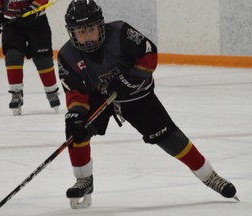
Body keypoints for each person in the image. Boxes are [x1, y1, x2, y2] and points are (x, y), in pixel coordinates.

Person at [57, 0, 238, 209]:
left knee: (167, 136)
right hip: (99, 95)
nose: (87, 36)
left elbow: (149, 53)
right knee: (76, 129)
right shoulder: (67, 56)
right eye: (81, 31)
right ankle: (84, 179)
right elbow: (75, 92)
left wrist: (132, 78)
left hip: (135, 94)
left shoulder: (121, 33)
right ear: (72, 33)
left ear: (100, 25)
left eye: (91, 29)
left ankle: (210, 176)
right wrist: (76, 114)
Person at [0, 0, 60, 115]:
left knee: (43, 58)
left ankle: (51, 92)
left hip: (37, 22)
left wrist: (32, 8)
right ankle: (16, 93)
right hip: (11, 23)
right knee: (12, 55)